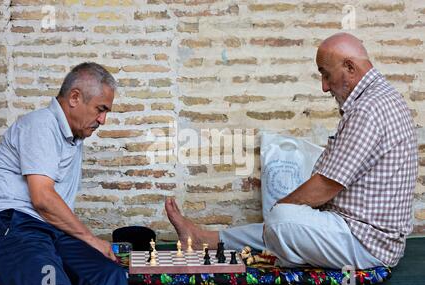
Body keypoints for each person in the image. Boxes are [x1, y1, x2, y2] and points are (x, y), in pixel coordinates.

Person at [165, 33, 418, 270]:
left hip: (364, 243)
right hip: (358, 232)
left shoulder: (368, 109)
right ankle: (204, 239)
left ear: (350, 68)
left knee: (282, 219)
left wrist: (281, 210)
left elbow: (326, 186)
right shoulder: (381, 98)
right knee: (285, 220)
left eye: (326, 75)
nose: (324, 87)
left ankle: (267, 247)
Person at [0, 62, 132, 285]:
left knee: (110, 276)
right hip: (10, 228)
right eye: (100, 109)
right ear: (75, 98)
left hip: (51, 232)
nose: (103, 120)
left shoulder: (73, 136)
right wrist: (90, 238)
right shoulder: (41, 124)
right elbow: (43, 199)